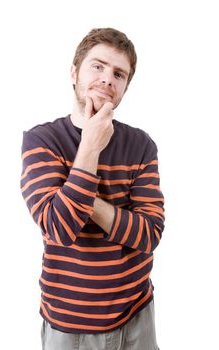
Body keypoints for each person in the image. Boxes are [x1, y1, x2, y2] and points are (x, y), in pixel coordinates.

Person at [20, 27, 164, 350]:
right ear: (74, 72)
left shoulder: (141, 146)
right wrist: (90, 147)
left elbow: (149, 234)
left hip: (136, 317)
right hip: (67, 327)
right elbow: (59, 227)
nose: (108, 79)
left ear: (125, 86)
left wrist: (82, 197)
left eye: (119, 74)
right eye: (97, 66)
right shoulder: (42, 141)